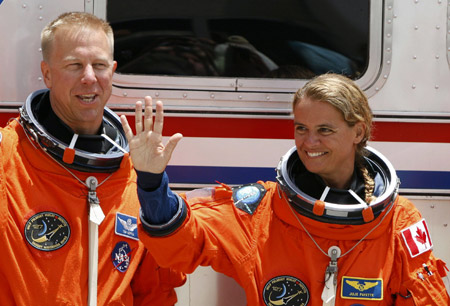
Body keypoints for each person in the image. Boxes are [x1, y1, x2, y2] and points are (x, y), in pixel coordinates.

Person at [121, 73, 450, 305]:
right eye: (301, 128)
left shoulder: (396, 220)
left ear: (358, 131)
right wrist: (151, 182)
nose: (309, 142)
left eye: (324, 130)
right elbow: (183, 244)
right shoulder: (262, 210)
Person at [0, 12, 185, 305]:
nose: (89, 78)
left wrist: (152, 183)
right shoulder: (8, 158)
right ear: (47, 73)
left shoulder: (135, 171)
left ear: (112, 71)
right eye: (74, 65)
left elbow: (154, 291)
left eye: (99, 65)